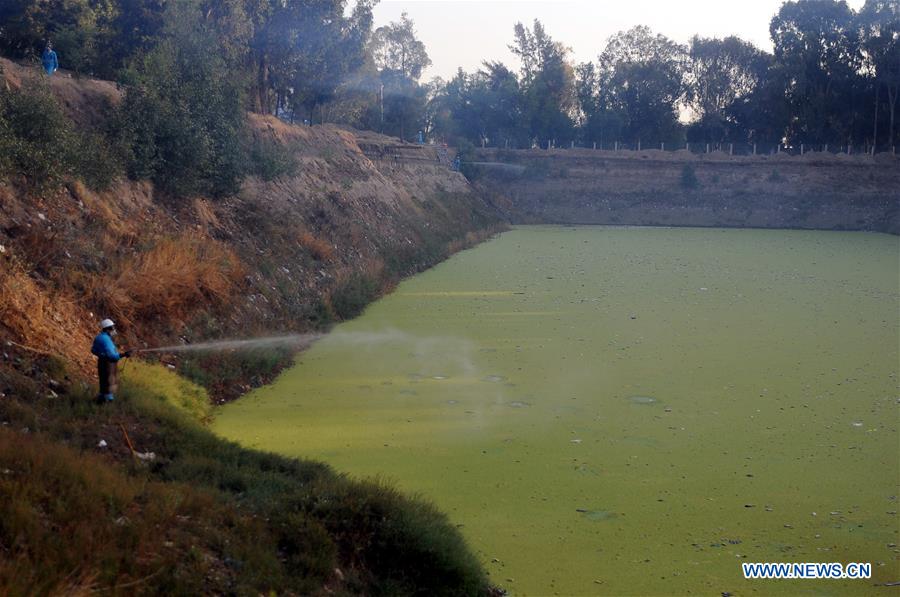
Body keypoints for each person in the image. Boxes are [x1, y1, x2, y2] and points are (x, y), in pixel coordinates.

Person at [91, 319, 131, 403]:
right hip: (108, 366)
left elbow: (93, 350)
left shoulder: (99, 337)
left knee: (103, 384)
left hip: (102, 363)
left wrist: (102, 354)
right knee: (109, 386)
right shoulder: (106, 340)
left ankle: (100, 400)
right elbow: (113, 357)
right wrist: (124, 354)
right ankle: (107, 403)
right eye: (112, 328)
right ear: (108, 328)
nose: (114, 330)